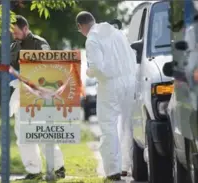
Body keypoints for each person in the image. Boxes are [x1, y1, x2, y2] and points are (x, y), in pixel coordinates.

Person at [0, 15, 65, 180]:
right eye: (12, 32)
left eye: (17, 32)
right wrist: (0, 66)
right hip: (20, 92)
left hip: (38, 94)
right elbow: (10, 66)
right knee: (23, 132)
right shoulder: (13, 46)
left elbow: (47, 66)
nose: (14, 35)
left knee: (41, 132)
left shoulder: (39, 43)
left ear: (25, 28)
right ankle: (34, 171)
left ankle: (58, 168)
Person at [76, 11, 136, 181]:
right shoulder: (117, 33)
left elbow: (98, 68)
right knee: (126, 125)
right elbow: (132, 56)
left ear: (81, 27)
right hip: (129, 81)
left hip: (110, 84)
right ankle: (126, 166)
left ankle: (112, 170)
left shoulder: (92, 39)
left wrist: (88, 71)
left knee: (108, 126)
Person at [109, 18, 133, 177]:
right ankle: (120, 166)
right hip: (115, 90)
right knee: (119, 127)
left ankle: (123, 166)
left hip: (125, 88)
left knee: (124, 126)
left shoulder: (126, 44)